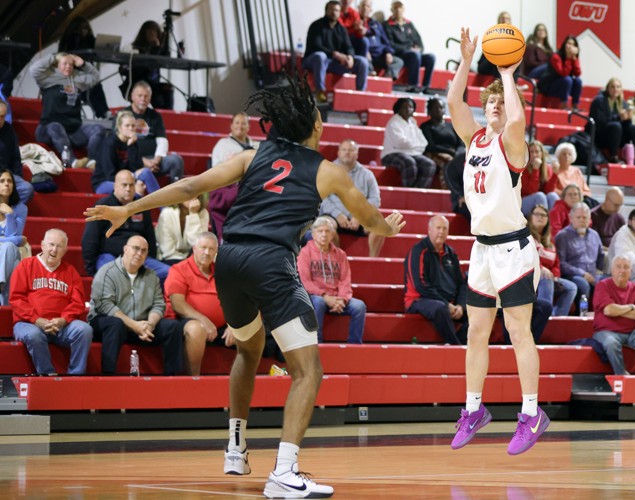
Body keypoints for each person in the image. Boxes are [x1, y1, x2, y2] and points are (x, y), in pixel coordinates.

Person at [85, 72, 404, 498]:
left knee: (250, 349)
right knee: (308, 371)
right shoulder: (328, 172)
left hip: (229, 259)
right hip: (271, 261)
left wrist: (131, 209)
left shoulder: (253, 156)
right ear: (314, 126)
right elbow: (370, 222)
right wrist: (389, 226)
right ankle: (284, 473)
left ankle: (235, 447)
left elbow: (191, 185)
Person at [446, 27, 549, 455]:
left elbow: (519, 119)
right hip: (483, 248)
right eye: (489, 101)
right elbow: (454, 103)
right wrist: (468, 59)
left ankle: (531, 413)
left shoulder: (513, 144)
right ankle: (474, 409)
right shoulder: (475, 140)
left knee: (518, 331)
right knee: (476, 333)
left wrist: (508, 73)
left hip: (513, 249)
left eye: (500, 103)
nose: (493, 106)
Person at [88, 235, 185, 375]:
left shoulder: (152, 276)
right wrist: (134, 325)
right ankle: (108, 376)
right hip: (108, 325)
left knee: (173, 327)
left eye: (144, 251)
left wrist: (150, 324)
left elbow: (158, 304)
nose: (139, 253)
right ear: (125, 249)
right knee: (115, 324)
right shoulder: (107, 272)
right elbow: (105, 306)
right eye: (135, 248)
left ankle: (173, 378)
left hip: (142, 326)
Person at [10, 228, 92, 376]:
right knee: (34, 335)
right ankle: (48, 375)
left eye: (59, 246)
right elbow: (16, 299)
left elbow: (77, 303)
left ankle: (75, 375)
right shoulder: (25, 266)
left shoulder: (71, 272)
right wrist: (36, 319)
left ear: (65, 250)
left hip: (61, 326)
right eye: (51, 244)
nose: (54, 249)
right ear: (42, 245)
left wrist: (62, 320)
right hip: (28, 323)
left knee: (84, 330)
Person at [81, 170, 171, 282]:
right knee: (113, 275)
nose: (128, 189)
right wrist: (91, 268)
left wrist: (148, 258)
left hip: (139, 257)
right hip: (110, 256)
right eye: (124, 185)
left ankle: (152, 298)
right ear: (115, 186)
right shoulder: (102, 206)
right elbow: (90, 238)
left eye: (131, 185)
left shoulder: (141, 206)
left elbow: (150, 237)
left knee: (168, 273)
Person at [165, 232, 231, 376]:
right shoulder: (179, 269)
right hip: (184, 319)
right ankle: (194, 379)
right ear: (194, 248)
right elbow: (178, 304)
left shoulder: (222, 272)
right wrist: (204, 320)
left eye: (211, 249)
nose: (207, 252)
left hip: (220, 326)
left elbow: (235, 300)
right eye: (203, 248)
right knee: (197, 329)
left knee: (247, 330)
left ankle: (245, 383)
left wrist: (233, 325)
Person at [298, 216, 366, 344]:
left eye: (327, 231)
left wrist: (342, 299)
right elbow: (305, 282)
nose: (324, 234)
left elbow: (345, 280)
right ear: (313, 234)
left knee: (359, 306)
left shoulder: (340, 254)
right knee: (318, 303)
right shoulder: (305, 253)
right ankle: (317, 343)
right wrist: (325, 296)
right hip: (316, 297)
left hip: (337, 298)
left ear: (332, 235)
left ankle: (355, 344)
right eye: (320, 231)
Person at [30, 52, 102, 170]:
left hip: (72, 131)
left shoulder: (77, 79)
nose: (68, 66)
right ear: (57, 64)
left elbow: (95, 77)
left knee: (98, 129)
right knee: (55, 126)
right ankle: (72, 161)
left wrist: (83, 64)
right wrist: (54, 56)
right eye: (65, 64)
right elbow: (34, 69)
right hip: (47, 129)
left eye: (71, 64)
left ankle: (91, 161)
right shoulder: (47, 78)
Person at [403, 215, 467, 345]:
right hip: (419, 300)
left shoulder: (451, 253)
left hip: (449, 303)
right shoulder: (418, 251)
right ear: (429, 230)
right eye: (438, 228)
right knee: (440, 308)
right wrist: (446, 304)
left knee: (477, 310)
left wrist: (460, 305)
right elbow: (420, 285)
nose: (441, 232)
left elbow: (461, 283)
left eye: (444, 229)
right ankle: (457, 348)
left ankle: (457, 344)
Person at [320, 139, 384, 257]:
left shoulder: (367, 174)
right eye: (344, 150)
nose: (347, 153)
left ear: (357, 153)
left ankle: (372, 262)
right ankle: (337, 262)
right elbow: (321, 197)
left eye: (351, 150)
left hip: (360, 216)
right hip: (333, 216)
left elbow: (375, 199)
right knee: (324, 226)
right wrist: (337, 214)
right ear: (338, 153)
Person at [118, 81, 185, 183]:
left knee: (176, 160)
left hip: (154, 161)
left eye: (146, 96)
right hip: (132, 160)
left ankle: (175, 194)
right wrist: (143, 162)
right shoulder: (123, 115)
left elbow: (162, 141)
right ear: (132, 96)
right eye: (140, 96)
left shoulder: (155, 116)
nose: (143, 99)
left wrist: (155, 161)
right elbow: (120, 143)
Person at [304, 0, 369, 100]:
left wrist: (350, 57)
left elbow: (349, 47)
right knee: (320, 56)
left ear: (340, 13)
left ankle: (360, 96)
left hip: (333, 62)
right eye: (332, 10)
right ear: (326, 11)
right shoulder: (316, 26)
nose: (334, 12)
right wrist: (335, 54)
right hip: (313, 61)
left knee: (362, 62)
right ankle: (320, 93)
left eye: (337, 10)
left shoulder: (341, 29)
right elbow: (316, 46)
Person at [90, 111, 160, 195]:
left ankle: (164, 207)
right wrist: (132, 184)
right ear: (119, 127)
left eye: (133, 126)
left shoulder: (133, 142)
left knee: (146, 172)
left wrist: (131, 146)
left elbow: (136, 167)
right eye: (127, 126)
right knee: (134, 190)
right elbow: (109, 174)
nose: (131, 128)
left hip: (126, 180)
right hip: (105, 183)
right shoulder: (109, 144)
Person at [528, 204, 577, 316]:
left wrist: (555, 275)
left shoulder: (550, 240)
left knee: (571, 287)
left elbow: (556, 263)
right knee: (546, 278)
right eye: (537, 214)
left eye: (544, 215)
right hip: (529, 273)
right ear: (531, 217)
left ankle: (557, 318)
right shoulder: (526, 235)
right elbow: (525, 256)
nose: (540, 217)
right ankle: (544, 315)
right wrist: (541, 268)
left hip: (548, 275)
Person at [555, 203, 605, 304]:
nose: (582, 220)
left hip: (593, 274)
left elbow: (601, 255)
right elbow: (561, 263)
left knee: (609, 281)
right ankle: (582, 315)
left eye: (585, 217)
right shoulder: (563, 236)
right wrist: (582, 274)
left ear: (589, 219)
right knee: (583, 284)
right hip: (573, 275)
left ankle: (603, 315)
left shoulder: (594, 235)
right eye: (578, 217)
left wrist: (599, 271)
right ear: (571, 218)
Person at [382, 97, 436, 188]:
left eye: (410, 107)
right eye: (404, 107)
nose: (408, 109)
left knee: (429, 164)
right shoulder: (393, 122)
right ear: (398, 109)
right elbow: (400, 143)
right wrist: (415, 144)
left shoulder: (412, 122)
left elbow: (423, 142)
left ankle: (417, 192)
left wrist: (411, 145)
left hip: (412, 153)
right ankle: (407, 193)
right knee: (409, 163)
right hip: (391, 154)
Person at [119, 21, 174, 110]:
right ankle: (160, 113)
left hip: (153, 83)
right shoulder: (136, 48)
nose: (152, 34)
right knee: (152, 91)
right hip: (137, 82)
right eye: (149, 32)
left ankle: (169, 115)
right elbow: (146, 65)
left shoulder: (159, 49)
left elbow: (166, 59)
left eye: (154, 31)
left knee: (167, 87)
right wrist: (155, 49)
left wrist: (163, 42)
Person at [385, 1, 435, 93]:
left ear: (403, 9)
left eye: (400, 8)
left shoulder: (409, 24)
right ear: (392, 10)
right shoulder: (388, 25)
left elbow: (419, 42)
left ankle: (426, 87)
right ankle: (413, 85)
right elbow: (390, 45)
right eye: (395, 8)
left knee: (431, 57)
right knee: (414, 55)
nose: (398, 10)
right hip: (401, 54)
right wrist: (409, 49)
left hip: (415, 55)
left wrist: (419, 49)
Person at [589, 77, 635, 164]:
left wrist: (628, 118)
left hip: (616, 136)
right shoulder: (599, 101)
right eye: (613, 87)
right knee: (616, 126)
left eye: (618, 87)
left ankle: (634, 158)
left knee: (634, 128)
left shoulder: (623, 102)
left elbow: (625, 124)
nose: (615, 89)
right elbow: (600, 122)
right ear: (608, 88)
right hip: (600, 135)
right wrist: (619, 117)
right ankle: (613, 157)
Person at [156, 194, 210, 264]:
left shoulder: (203, 213)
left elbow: (198, 244)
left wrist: (193, 214)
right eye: (187, 192)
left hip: (192, 259)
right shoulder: (166, 214)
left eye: (195, 192)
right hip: (168, 259)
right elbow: (168, 252)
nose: (192, 196)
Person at [0, 170, 27, 304]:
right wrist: (16, 240)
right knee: (15, 265)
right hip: (9, 257)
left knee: (9, 247)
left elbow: (14, 237)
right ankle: (6, 307)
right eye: (2, 181)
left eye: (9, 181)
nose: (6, 184)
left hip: (10, 251)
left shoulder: (21, 209)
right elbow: (17, 239)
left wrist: (10, 214)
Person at [0, 100, 34, 203]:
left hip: (4, 173)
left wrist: (15, 180)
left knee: (27, 189)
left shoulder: (9, 130)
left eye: (3, 116)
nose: (1, 120)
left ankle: (7, 214)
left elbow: (15, 158)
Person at [358, 0, 402, 79]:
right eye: (363, 5)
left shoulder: (376, 24)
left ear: (371, 9)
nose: (365, 8)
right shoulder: (356, 22)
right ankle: (370, 72)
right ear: (359, 8)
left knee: (398, 61)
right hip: (366, 54)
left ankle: (387, 78)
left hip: (380, 55)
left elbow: (386, 41)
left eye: (368, 6)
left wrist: (388, 52)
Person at [537, 35, 582, 110]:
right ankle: (564, 105)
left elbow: (577, 73)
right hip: (550, 86)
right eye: (569, 43)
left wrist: (574, 59)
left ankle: (575, 106)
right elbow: (563, 73)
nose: (571, 46)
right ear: (564, 44)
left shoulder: (573, 57)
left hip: (564, 86)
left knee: (578, 81)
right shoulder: (556, 56)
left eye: (573, 45)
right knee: (567, 79)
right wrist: (568, 58)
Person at [421, 97, 464, 171]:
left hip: (454, 152)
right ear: (430, 110)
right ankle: (450, 182)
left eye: (441, 107)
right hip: (435, 152)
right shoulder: (426, 126)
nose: (438, 110)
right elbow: (430, 146)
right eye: (435, 108)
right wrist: (449, 151)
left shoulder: (452, 125)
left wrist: (458, 152)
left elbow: (460, 143)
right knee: (451, 161)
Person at [476, 12, 512, 78]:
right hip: (488, 64)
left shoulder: (514, 39)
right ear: (498, 21)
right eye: (502, 18)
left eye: (507, 18)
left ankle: (513, 82)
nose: (504, 20)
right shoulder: (492, 35)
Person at [519, 140, 550, 217]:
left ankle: (552, 225)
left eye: (537, 152)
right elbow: (530, 191)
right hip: (522, 202)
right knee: (540, 196)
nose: (534, 155)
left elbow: (549, 191)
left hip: (539, 200)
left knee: (552, 196)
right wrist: (535, 170)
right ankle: (543, 222)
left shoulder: (547, 168)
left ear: (541, 154)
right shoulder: (522, 168)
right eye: (531, 152)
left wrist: (555, 175)